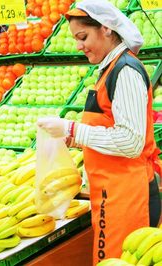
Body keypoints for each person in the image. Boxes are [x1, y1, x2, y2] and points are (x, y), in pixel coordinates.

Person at [37, 0, 161, 264]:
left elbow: (131, 141)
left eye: (83, 37)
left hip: (129, 196)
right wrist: (75, 138)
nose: (78, 46)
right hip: (110, 193)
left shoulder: (125, 71)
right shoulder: (109, 69)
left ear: (105, 28)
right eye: (75, 39)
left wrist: (73, 129)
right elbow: (111, 127)